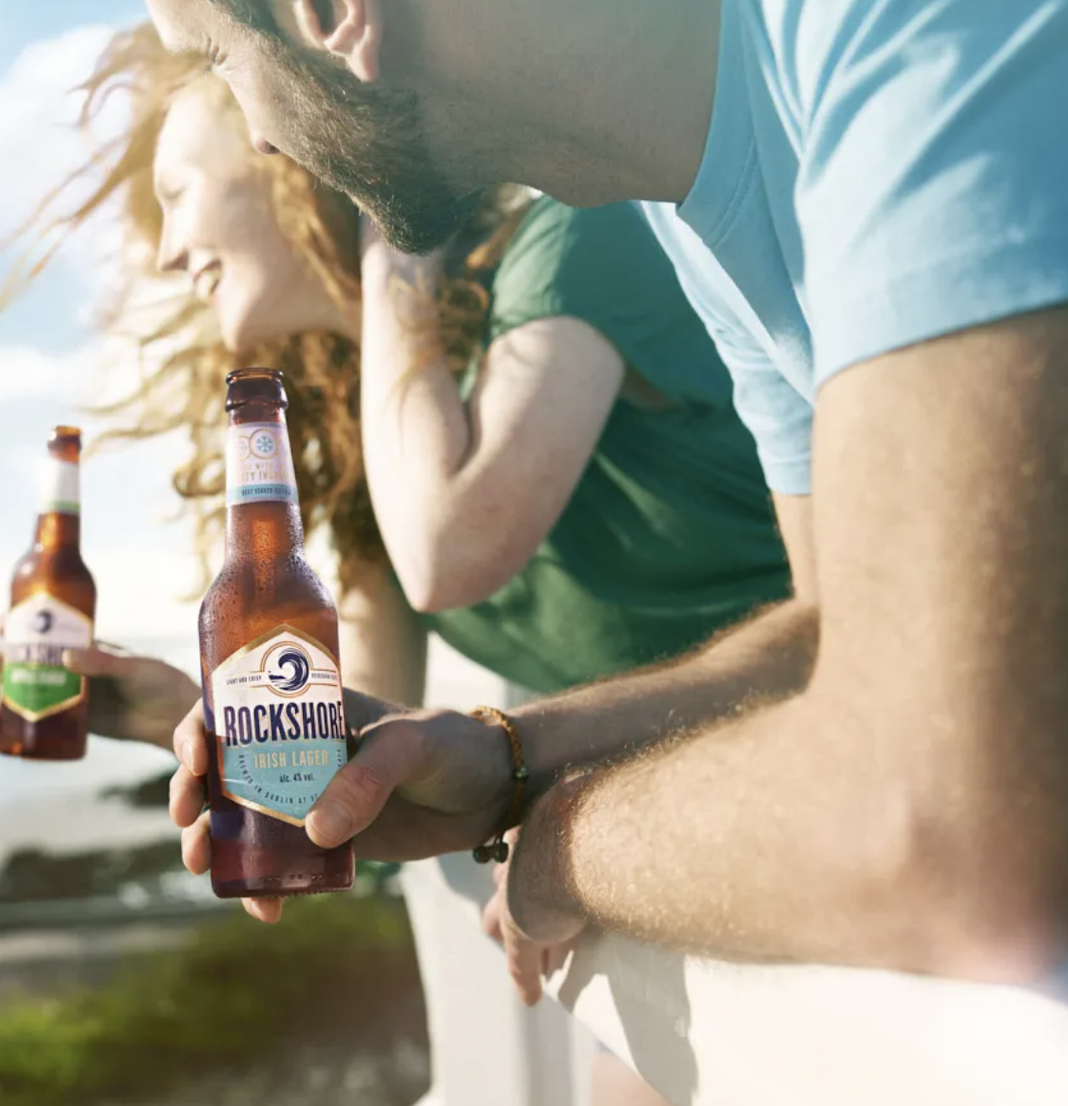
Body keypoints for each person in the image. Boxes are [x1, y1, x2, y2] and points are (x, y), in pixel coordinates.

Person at [0, 26, 786, 1103]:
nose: (166, 252)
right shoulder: (369, 429)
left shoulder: (568, 242)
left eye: (179, 190)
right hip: (695, 786)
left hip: (815, 741)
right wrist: (165, 710)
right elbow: (360, 763)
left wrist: (387, 219)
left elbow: (453, 543)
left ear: (286, 155)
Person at [139, 0, 1068, 995]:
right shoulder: (683, 202)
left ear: (330, 14)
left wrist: (558, 843)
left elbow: (942, 818)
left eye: (219, 59)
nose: (267, 133)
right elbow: (827, 624)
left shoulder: (905, 24)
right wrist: (510, 760)